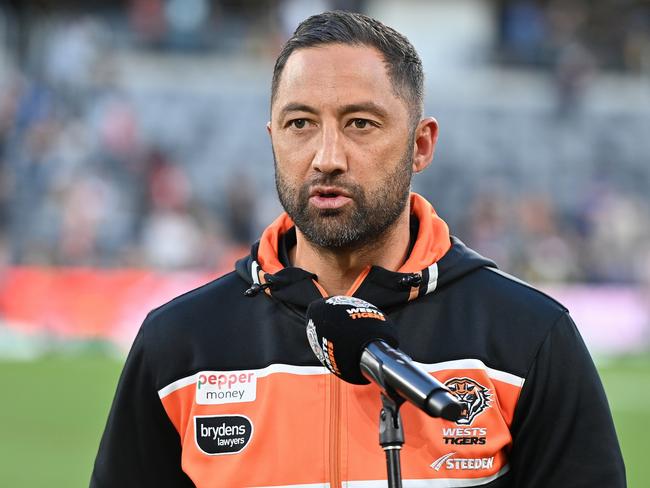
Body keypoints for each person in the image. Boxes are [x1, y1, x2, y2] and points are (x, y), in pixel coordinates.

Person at [91, 11, 625, 488]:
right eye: (301, 124)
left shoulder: (528, 337)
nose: (327, 157)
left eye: (360, 124)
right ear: (273, 137)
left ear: (421, 145)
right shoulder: (179, 345)